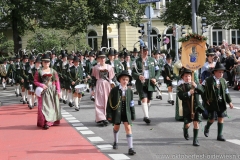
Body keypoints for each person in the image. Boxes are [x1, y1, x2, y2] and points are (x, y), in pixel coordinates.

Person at [202, 62, 234, 141]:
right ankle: (207, 127)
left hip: (221, 102)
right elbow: (202, 90)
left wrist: (229, 102)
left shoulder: (223, 81)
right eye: (219, 72)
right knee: (212, 119)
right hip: (212, 102)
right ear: (214, 72)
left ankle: (219, 135)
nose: (221, 74)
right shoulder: (208, 80)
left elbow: (226, 92)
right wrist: (206, 99)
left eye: (222, 72)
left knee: (221, 117)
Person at [106, 70, 136, 155]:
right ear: (119, 80)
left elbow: (131, 103)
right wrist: (109, 114)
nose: (125, 81)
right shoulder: (114, 90)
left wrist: (133, 114)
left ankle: (130, 148)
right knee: (116, 127)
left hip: (126, 112)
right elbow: (109, 103)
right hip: (117, 112)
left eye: (127, 80)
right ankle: (116, 141)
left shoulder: (130, 91)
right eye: (123, 79)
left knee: (128, 128)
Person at [132, 46, 160, 124]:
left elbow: (158, 71)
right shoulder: (136, 61)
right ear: (141, 51)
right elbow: (133, 73)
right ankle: (146, 116)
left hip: (150, 83)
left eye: (147, 51)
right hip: (141, 83)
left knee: (149, 100)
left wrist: (155, 78)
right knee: (143, 99)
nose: (146, 52)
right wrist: (138, 76)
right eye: (144, 51)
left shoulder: (153, 60)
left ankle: (146, 113)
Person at [177, 68, 204, 146]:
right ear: (182, 77)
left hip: (196, 107)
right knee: (188, 124)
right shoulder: (181, 86)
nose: (187, 78)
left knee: (196, 123)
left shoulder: (195, 84)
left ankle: (195, 140)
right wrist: (188, 93)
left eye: (189, 76)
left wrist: (196, 86)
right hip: (187, 108)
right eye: (185, 76)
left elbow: (202, 91)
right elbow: (181, 96)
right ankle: (185, 130)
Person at [34, 53, 62, 130]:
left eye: (48, 62)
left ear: (50, 62)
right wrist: (42, 85)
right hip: (43, 91)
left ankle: (49, 122)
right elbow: (35, 81)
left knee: (51, 106)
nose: (46, 63)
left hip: (52, 91)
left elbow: (57, 82)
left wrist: (58, 91)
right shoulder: (39, 72)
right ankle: (44, 121)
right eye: (45, 62)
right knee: (43, 107)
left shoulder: (53, 71)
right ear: (42, 62)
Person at [91, 51, 115, 126]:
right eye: (101, 58)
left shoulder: (109, 67)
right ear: (98, 59)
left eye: (103, 58)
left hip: (107, 85)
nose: (102, 59)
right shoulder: (95, 68)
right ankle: (101, 118)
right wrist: (92, 89)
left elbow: (113, 78)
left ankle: (108, 116)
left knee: (108, 100)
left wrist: (113, 85)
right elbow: (93, 79)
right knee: (99, 101)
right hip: (99, 85)